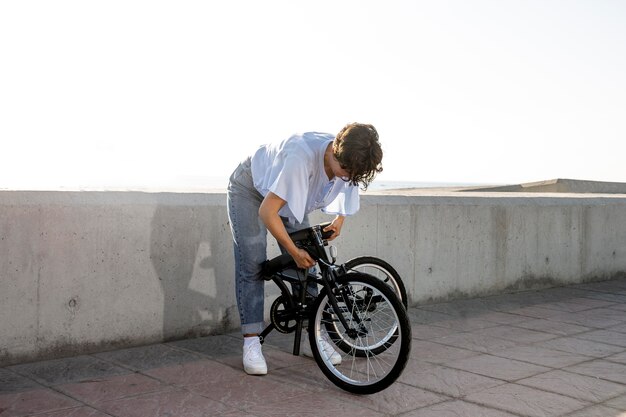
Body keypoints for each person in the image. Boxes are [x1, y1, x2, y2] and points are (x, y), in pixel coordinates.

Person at [226, 122, 383, 375]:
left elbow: (348, 190)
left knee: (310, 262)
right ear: (332, 151)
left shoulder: (352, 156)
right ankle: (251, 341)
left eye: (352, 174)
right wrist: (293, 252)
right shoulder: (301, 157)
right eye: (345, 170)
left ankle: (314, 336)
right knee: (252, 264)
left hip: (288, 195)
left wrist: (338, 221)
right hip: (252, 188)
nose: (346, 177)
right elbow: (268, 211)